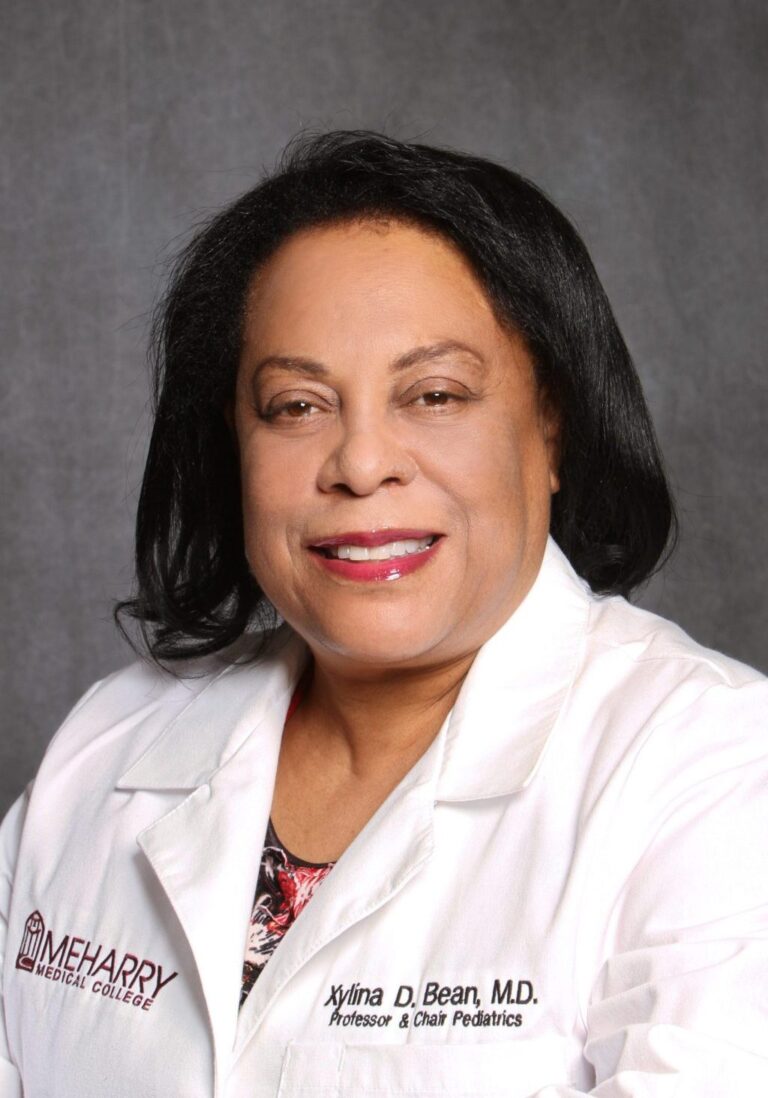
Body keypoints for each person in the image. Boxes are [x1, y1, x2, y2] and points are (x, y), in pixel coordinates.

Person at [0, 130, 766, 1098]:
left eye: (434, 395)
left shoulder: (718, 773)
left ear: (552, 425)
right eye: (295, 405)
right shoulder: (103, 748)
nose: (361, 463)